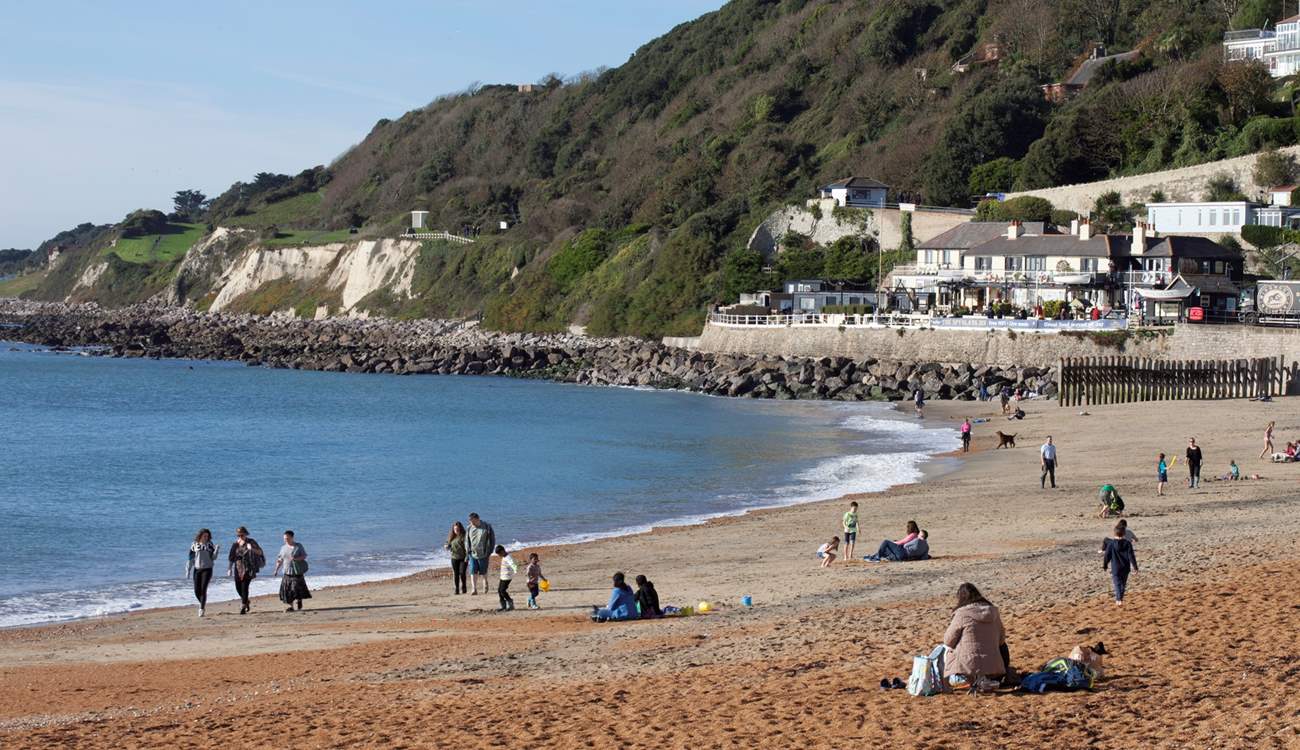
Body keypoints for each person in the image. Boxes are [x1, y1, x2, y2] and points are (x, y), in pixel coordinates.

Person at [943, 583, 1007, 691]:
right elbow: (1001, 640)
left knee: (943, 649)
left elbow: (948, 641)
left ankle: (954, 681)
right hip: (993, 666)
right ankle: (983, 678)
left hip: (968, 665)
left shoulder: (962, 614)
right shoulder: (993, 612)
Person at [227, 527, 264, 615]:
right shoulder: (235, 544)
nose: (240, 536)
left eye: (242, 535)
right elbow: (231, 558)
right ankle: (246, 601)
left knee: (244, 586)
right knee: (238, 587)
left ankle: (243, 606)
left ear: (246, 534)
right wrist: (229, 569)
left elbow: (260, 552)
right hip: (238, 567)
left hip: (249, 567)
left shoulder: (251, 542)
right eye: (238, 535)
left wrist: (252, 549)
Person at [273, 530, 311, 612]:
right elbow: (280, 560)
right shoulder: (283, 548)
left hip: (297, 571)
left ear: (292, 537)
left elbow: (304, 556)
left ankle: (299, 599)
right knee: (287, 590)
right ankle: (291, 607)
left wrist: (297, 559)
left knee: (296, 589)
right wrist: (276, 570)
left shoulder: (298, 546)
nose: (285, 540)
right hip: (286, 572)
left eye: (287, 538)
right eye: (284, 538)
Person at [1102, 523, 1139, 606]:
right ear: (1124, 534)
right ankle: (1120, 599)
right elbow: (1131, 556)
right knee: (1122, 584)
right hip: (1125, 568)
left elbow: (1107, 555)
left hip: (1115, 568)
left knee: (1117, 584)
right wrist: (1135, 567)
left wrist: (1105, 565)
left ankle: (1118, 599)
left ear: (1114, 533)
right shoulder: (1128, 543)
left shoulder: (1111, 544)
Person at [185, 529, 219, 618]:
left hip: (207, 569)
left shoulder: (210, 544)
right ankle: (202, 603)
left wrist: (217, 550)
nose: (206, 537)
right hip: (197, 569)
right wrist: (188, 570)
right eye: (204, 536)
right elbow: (190, 558)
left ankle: (201, 609)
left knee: (203, 589)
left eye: (207, 536)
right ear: (200, 536)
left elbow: (214, 558)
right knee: (197, 590)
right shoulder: (194, 544)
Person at [466, 513, 496, 596]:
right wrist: (467, 551)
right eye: (470, 522)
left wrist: (490, 551)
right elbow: (466, 540)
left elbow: (492, 539)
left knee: (483, 571)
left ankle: (485, 582)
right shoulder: (469, 528)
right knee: (473, 570)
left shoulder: (487, 527)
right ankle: (474, 589)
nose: (472, 523)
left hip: (484, 553)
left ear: (477, 519)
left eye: (473, 521)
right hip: (472, 553)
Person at [445, 521, 468, 595]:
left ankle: (464, 587)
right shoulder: (451, 536)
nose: (456, 530)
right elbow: (447, 544)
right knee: (456, 573)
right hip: (454, 558)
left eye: (457, 529)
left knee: (462, 572)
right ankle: (457, 589)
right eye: (455, 529)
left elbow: (467, 547)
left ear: (460, 529)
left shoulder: (464, 536)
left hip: (463, 558)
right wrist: (446, 546)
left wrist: (467, 556)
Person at [495, 545, 518, 612]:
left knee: (502, 590)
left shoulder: (508, 557)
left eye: (499, 554)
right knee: (499, 590)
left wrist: (515, 570)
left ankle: (510, 604)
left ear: (502, 551)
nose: (499, 555)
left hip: (507, 577)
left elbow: (513, 564)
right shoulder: (504, 557)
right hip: (503, 576)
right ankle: (503, 606)